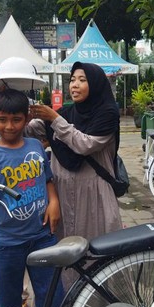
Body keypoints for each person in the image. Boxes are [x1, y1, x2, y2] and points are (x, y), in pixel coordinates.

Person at [0, 88, 64, 307]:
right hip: (7, 242)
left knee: (51, 292)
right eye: (2, 120)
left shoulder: (36, 145)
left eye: (16, 119)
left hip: (42, 235)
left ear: (26, 119)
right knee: (10, 297)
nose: (9, 126)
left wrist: (54, 201)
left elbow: (47, 177)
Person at [25, 62, 122, 285]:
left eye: (82, 80)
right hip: (61, 192)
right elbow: (32, 129)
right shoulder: (67, 112)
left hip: (94, 194)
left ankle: (97, 305)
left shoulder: (107, 114)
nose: (75, 85)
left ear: (96, 84)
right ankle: (65, 305)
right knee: (63, 250)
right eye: (72, 80)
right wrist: (19, 111)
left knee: (96, 249)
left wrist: (55, 120)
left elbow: (84, 144)